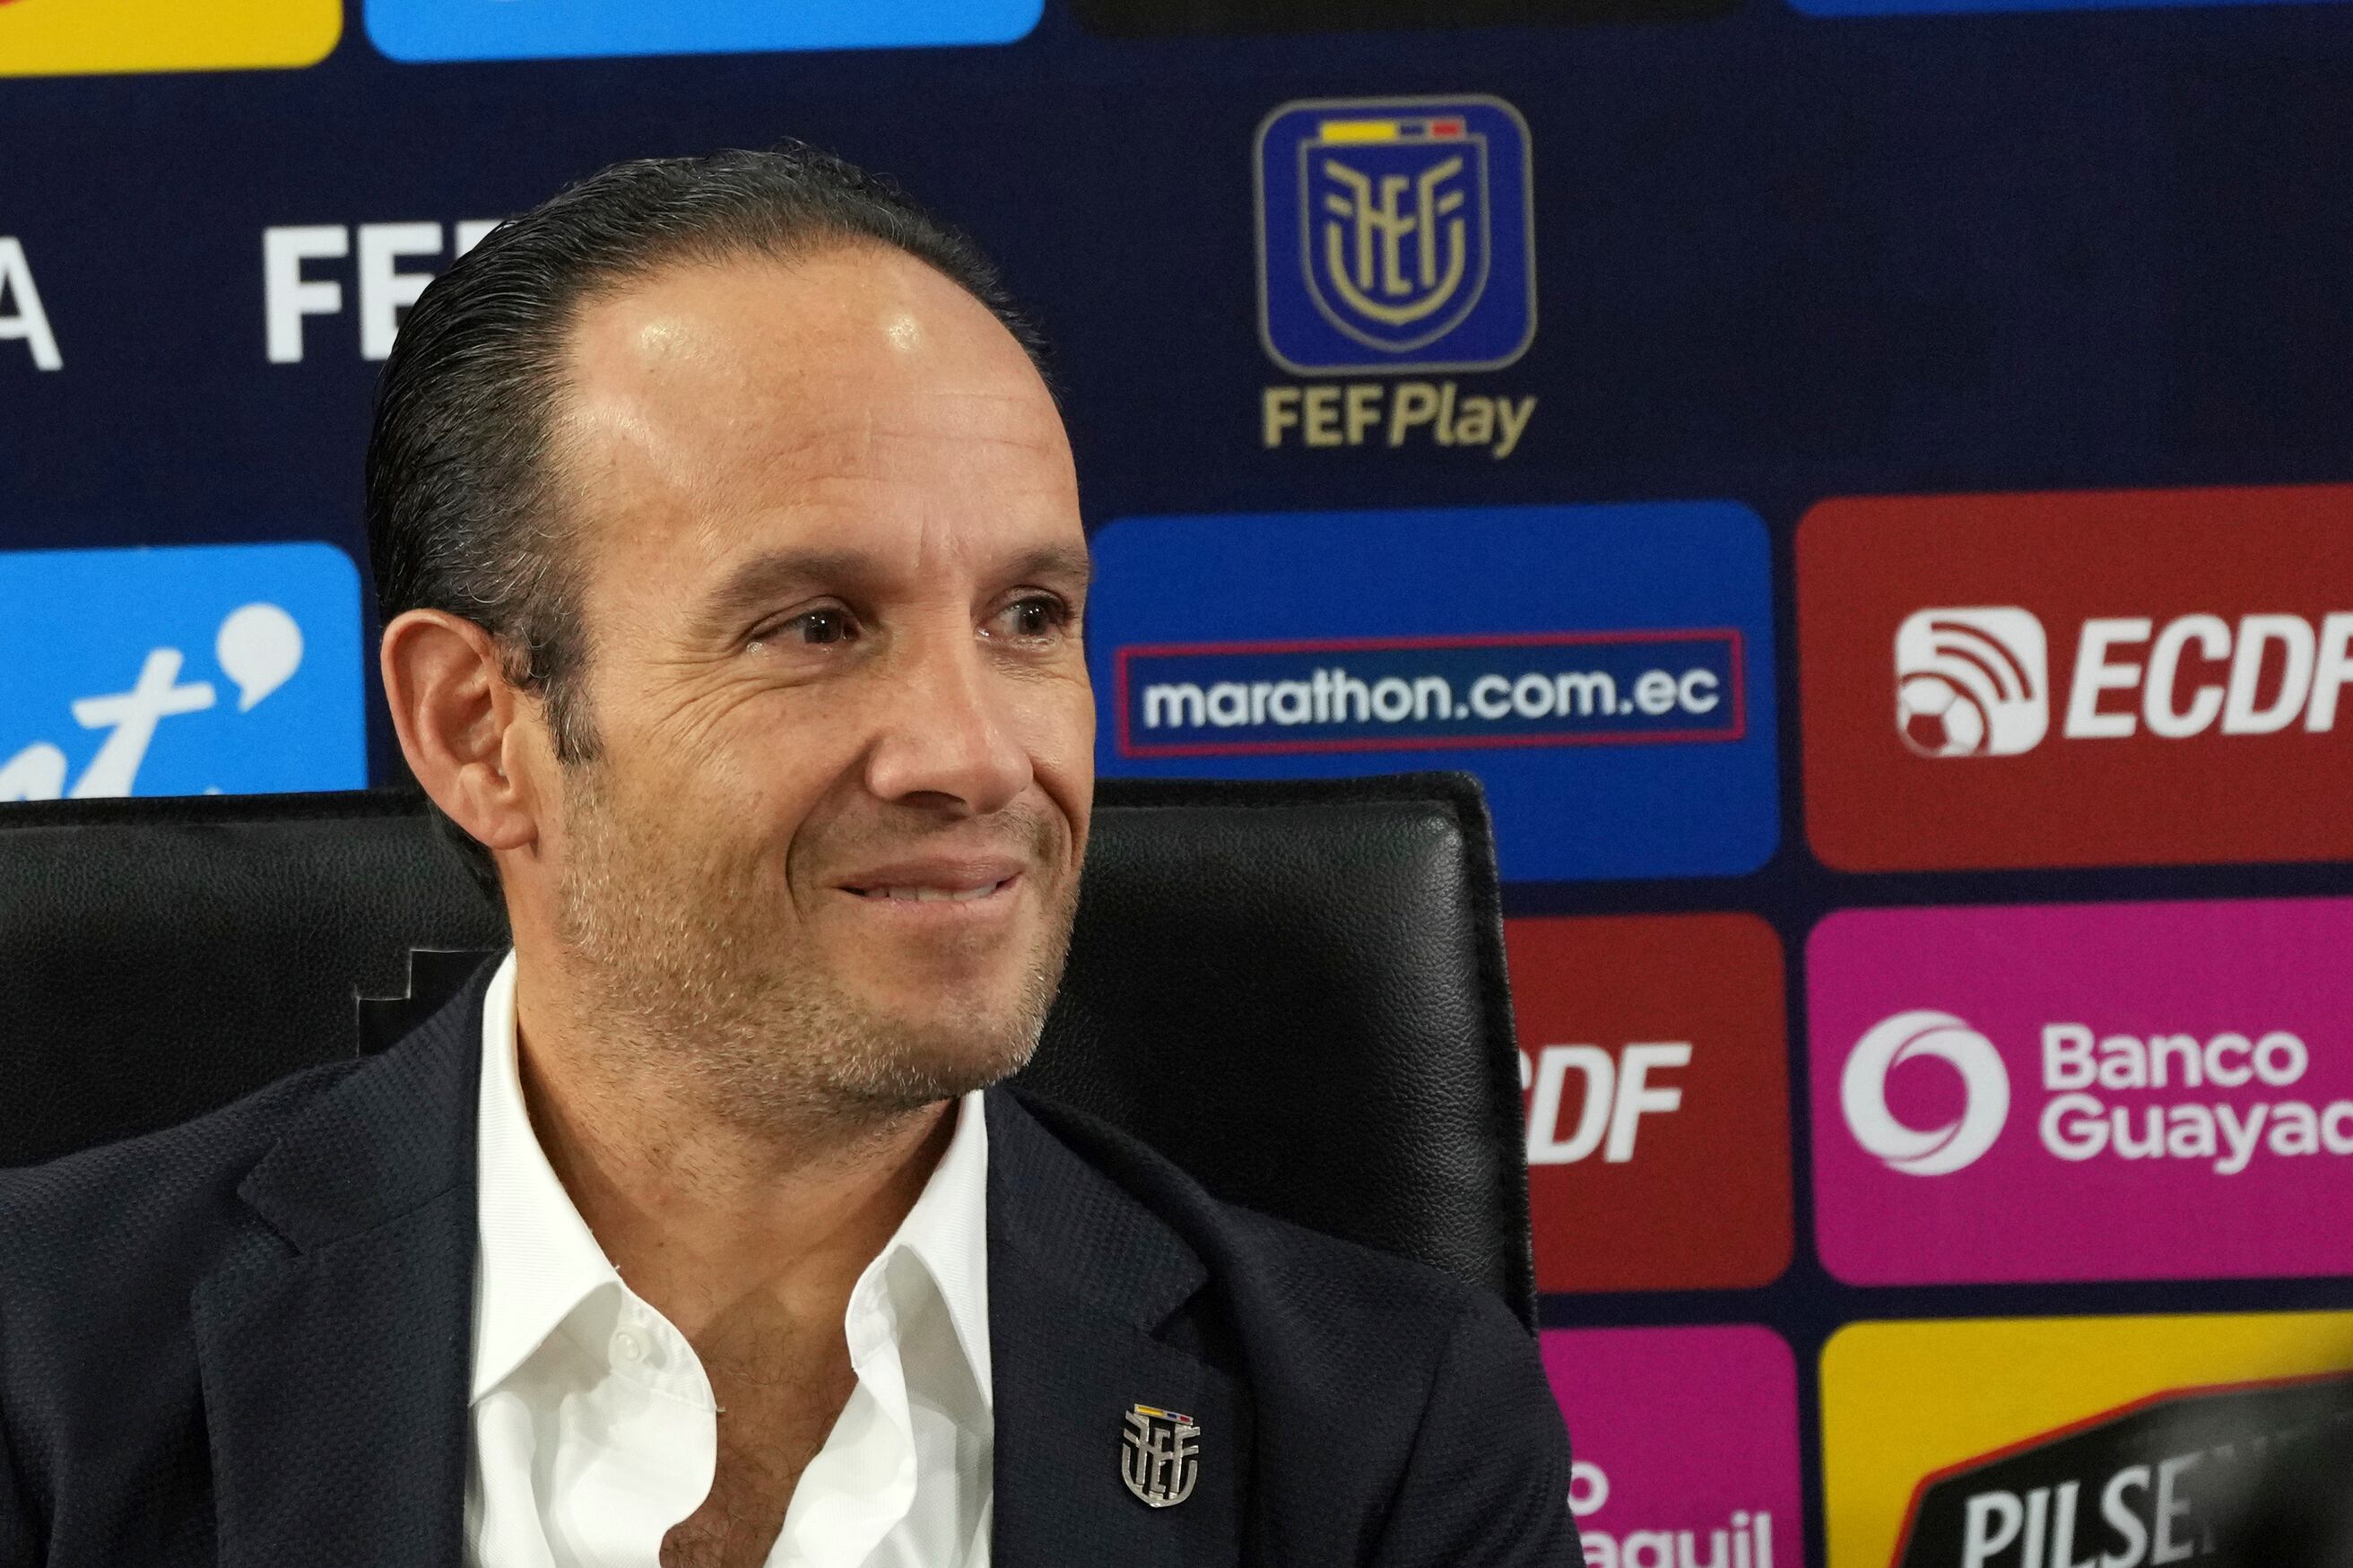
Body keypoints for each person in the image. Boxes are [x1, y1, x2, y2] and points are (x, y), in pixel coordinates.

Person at [0, 146, 1577, 1568]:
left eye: (1029, 618)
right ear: (481, 728)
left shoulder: (1390, 1440)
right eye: (815, 627)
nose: (974, 753)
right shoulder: (42, 1372)